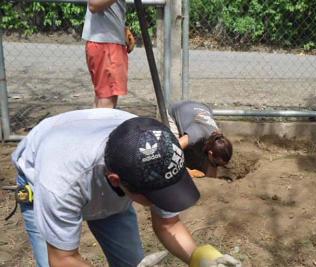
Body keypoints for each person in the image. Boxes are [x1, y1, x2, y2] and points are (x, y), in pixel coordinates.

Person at [11, 108, 240, 267]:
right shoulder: (59, 182)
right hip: (45, 171)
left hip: (106, 176)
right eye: (156, 195)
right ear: (116, 181)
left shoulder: (158, 151)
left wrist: (201, 258)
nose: (164, 201)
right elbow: (62, 259)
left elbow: (168, 223)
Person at [82, 0, 135, 108]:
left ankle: (96, 125)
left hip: (107, 41)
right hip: (107, 44)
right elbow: (94, 4)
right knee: (106, 104)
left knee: (102, 99)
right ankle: (102, 125)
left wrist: (121, 28)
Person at [169, 101, 233, 178]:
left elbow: (211, 178)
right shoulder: (197, 134)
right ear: (210, 153)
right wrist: (187, 171)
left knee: (209, 160)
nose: (218, 166)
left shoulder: (217, 138)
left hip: (202, 108)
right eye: (217, 164)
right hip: (177, 111)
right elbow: (172, 149)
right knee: (172, 150)